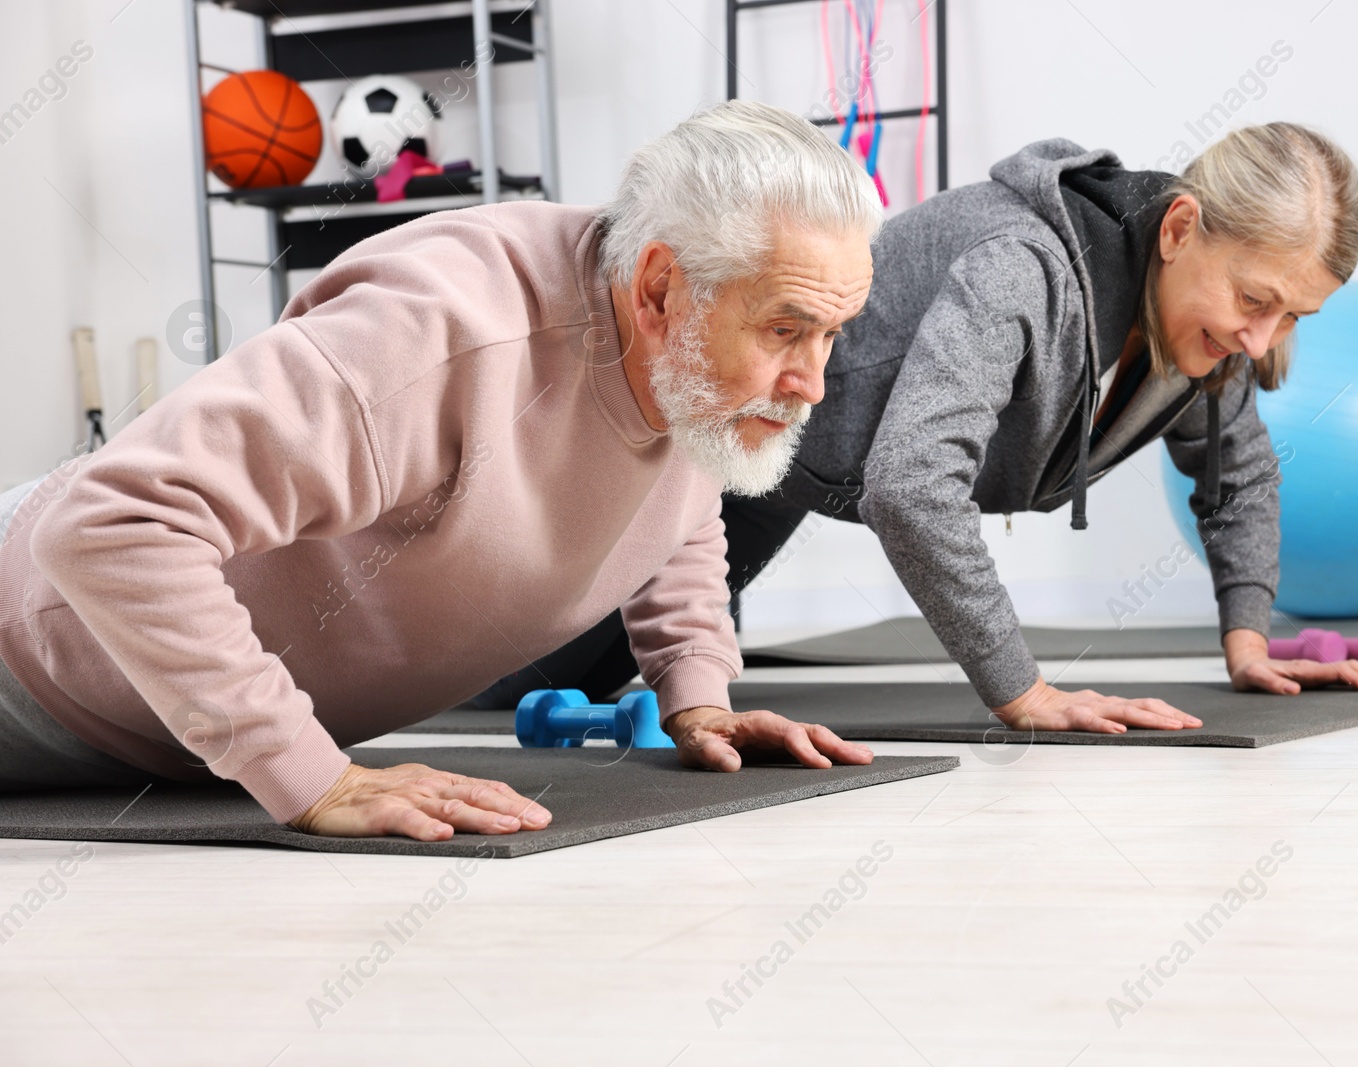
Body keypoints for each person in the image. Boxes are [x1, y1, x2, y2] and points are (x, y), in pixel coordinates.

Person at [0, 100, 881, 841]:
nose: (813, 383)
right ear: (658, 291)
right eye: (785, 330)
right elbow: (111, 523)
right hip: (36, 667)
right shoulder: (441, 333)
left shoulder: (689, 368)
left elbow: (673, 497)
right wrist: (309, 776)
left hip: (174, 741)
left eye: (831, 333)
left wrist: (698, 691)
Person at [482, 122, 1358, 730]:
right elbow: (914, 486)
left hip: (785, 465)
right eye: (1255, 300)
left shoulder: (1205, 335)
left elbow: (1237, 469)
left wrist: (1247, 639)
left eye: (1292, 317)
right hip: (737, 429)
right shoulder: (1024, 264)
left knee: (648, 667)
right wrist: (1023, 692)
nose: (1260, 337)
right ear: (1180, 228)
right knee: (514, 669)